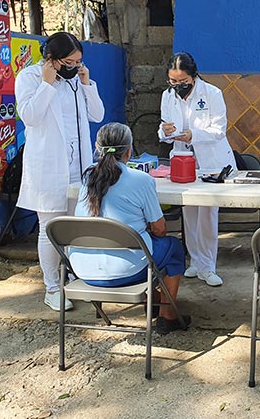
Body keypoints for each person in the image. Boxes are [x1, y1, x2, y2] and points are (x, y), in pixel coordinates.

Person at [69, 123, 190, 335]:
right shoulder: (142, 180)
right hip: (126, 271)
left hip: (83, 269)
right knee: (173, 247)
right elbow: (160, 229)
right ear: (129, 151)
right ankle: (167, 315)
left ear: (98, 148)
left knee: (147, 245)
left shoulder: (88, 177)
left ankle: (152, 301)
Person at [15, 32, 105, 312]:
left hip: (78, 167)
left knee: (77, 227)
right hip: (48, 167)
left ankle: (78, 276)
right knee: (49, 228)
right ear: (51, 59)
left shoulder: (77, 81)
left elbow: (98, 115)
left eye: (78, 61)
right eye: (69, 61)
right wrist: (47, 84)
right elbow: (29, 116)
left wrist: (87, 83)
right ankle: (52, 287)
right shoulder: (29, 78)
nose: (74, 66)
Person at [157, 52, 236, 287]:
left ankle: (208, 266)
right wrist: (166, 131)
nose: (178, 86)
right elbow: (163, 131)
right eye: (173, 81)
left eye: (183, 82)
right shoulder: (167, 96)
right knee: (189, 213)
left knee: (207, 215)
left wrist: (194, 135)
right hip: (183, 160)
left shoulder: (212, 94)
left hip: (210, 161)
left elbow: (219, 130)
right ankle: (195, 262)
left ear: (194, 76)